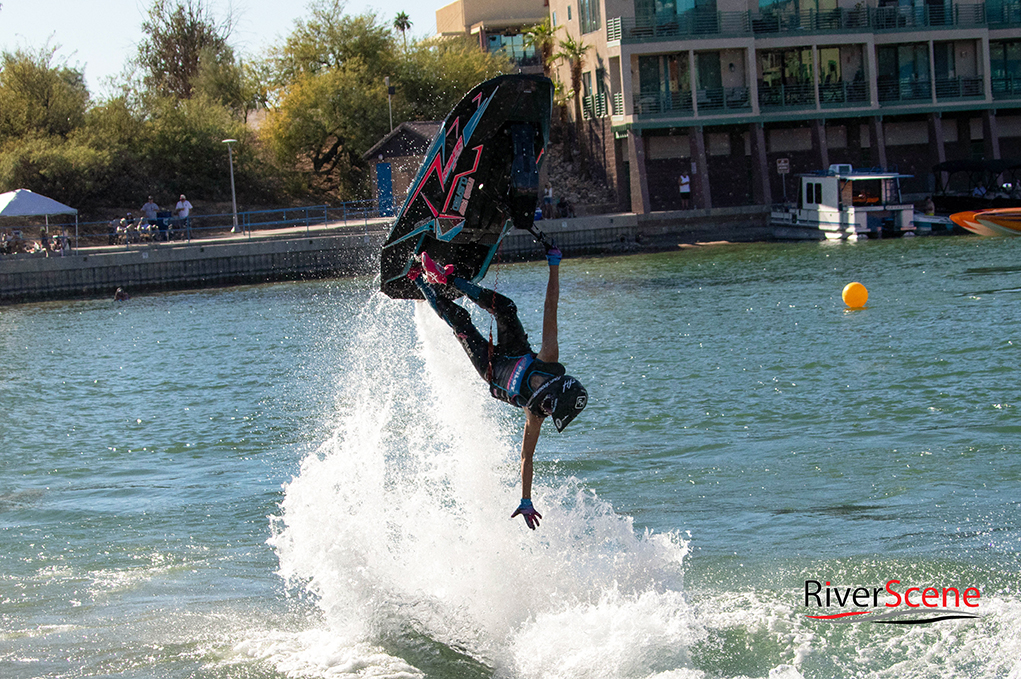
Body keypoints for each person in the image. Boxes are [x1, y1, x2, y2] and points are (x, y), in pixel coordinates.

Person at [409, 246, 588, 530]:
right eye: (550, 404)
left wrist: (526, 499)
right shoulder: (549, 359)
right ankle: (447, 280)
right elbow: (550, 307)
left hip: (492, 371)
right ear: (556, 388)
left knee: (459, 322)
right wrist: (554, 266)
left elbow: (527, 457)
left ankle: (417, 278)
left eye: (548, 410)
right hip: (516, 351)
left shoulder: (535, 414)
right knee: (506, 309)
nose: (545, 409)